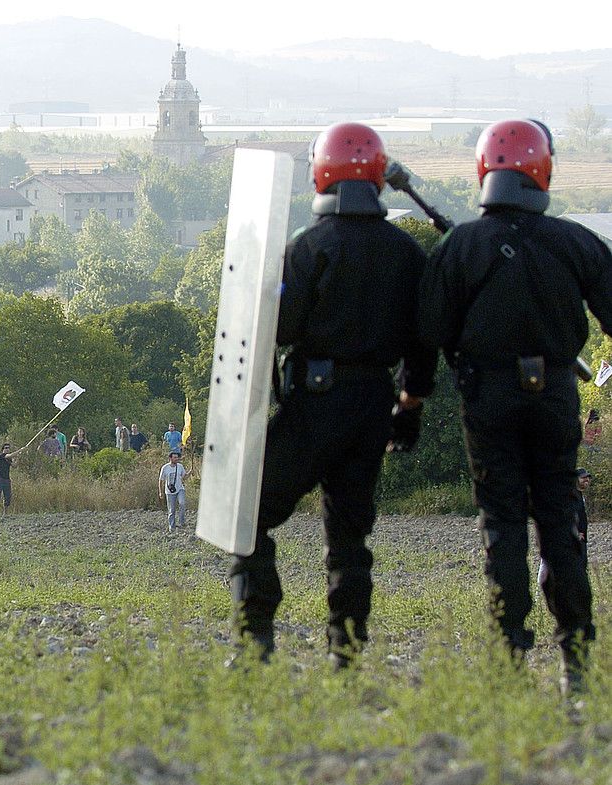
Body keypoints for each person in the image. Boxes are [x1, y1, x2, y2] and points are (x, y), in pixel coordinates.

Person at [229, 122, 437, 669]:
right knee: (348, 534)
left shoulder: (310, 247)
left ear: (322, 172)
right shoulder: (406, 253)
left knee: (249, 516)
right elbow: (422, 343)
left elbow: (284, 329)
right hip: (373, 404)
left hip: (315, 402)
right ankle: (345, 652)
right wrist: (408, 406)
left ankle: (255, 642)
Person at [418, 119, 612, 695]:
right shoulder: (575, 241)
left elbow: (430, 332)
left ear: (485, 171)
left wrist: (410, 401)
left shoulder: (461, 246)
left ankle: (511, 652)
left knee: (502, 523)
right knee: (558, 518)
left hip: (488, 396)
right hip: (553, 393)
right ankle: (575, 653)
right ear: (543, 171)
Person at [0, 442, 25, 517]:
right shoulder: (2, 456)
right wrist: (20, 450)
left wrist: (18, 457)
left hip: (6, 478)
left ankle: (5, 513)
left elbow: (14, 466)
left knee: (7, 495)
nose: (7, 449)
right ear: (3, 449)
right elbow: (11, 455)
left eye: (8, 448)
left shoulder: (9, 459)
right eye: (5, 448)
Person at [159, 451, 188, 533]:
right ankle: (172, 526)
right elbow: (161, 480)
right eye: (175, 457)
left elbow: (184, 477)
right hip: (169, 491)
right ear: (170, 458)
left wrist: (190, 472)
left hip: (180, 489)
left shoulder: (180, 466)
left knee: (182, 503)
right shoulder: (165, 468)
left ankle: (182, 522)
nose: (176, 459)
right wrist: (160, 492)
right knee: (171, 510)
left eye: (177, 457)